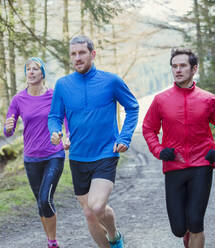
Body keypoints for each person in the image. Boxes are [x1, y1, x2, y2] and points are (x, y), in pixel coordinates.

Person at [48, 35, 139, 248]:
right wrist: (55, 132)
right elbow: (54, 116)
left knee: (97, 207)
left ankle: (114, 235)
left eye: (82, 53)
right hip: (78, 156)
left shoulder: (111, 81)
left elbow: (132, 107)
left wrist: (124, 137)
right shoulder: (63, 85)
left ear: (93, 54)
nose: (77, 57)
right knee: (89, 213)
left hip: (106, 153)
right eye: (73, 54)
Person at [142, 48, 215, 248]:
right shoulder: (161, 100)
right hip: (174, 166)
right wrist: (159, 150)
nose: (178, 70)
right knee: (178, 227)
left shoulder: (208, 99)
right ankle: (186, 236)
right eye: (174, 66)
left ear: (194, 69)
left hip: (202, 165)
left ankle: (193, 234)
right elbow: (149, 128)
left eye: (183, 65)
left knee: (195, 221)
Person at [4, 57, 69, 248]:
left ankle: (54, 242)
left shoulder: (54, 96)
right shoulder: (18, 99)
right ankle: (50, 241)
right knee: (41, 203)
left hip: (53, 155)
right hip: (31, 158)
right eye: (28, 69)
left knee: (45, 199)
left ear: (43, 74)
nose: (31, 72)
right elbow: (8, 129)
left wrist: (68, 136)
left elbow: (66, 118)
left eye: (35, 69)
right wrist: (8, 127)